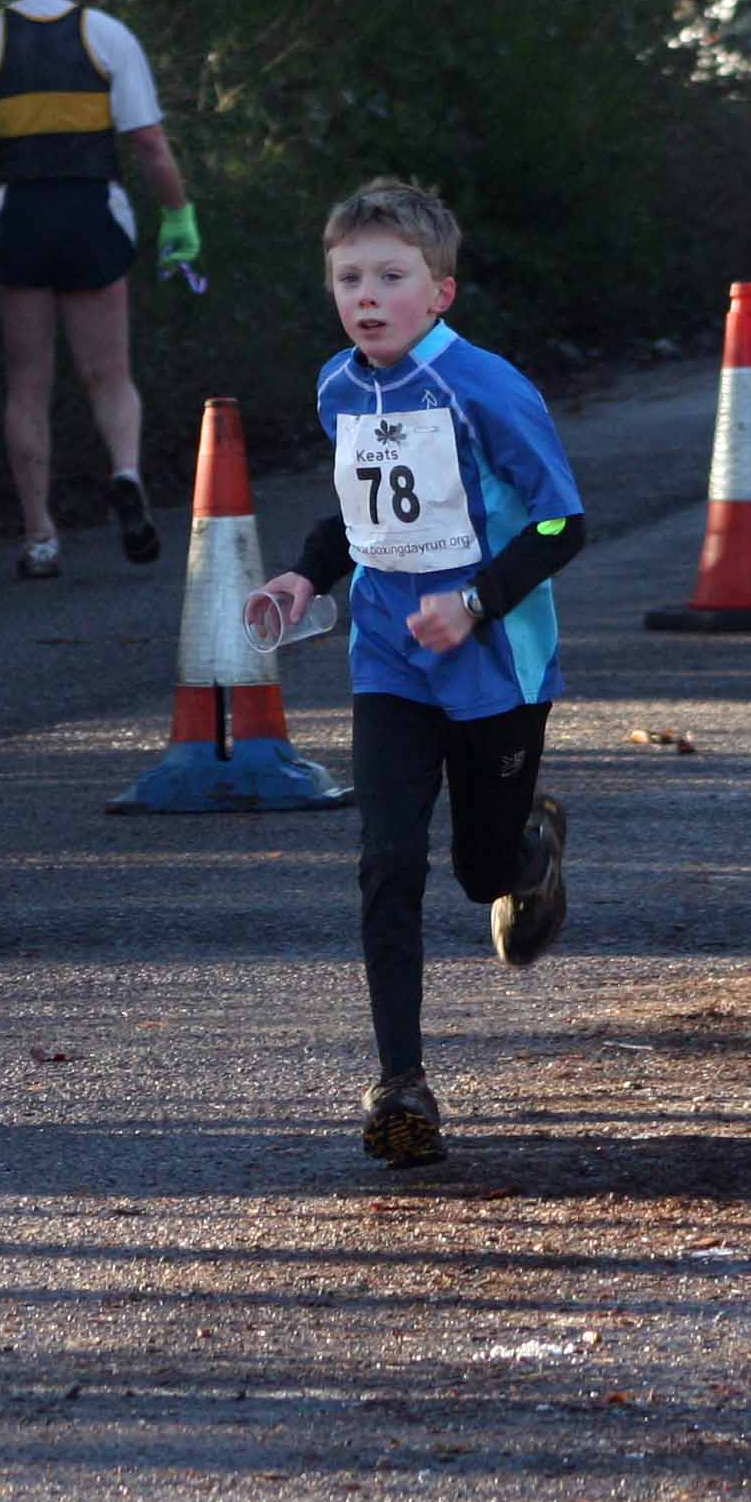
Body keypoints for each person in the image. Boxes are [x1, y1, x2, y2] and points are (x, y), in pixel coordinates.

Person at [247, 179, 586, 1169]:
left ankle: (534, 845)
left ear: (438, 292)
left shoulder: (485, 386)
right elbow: (359, 515)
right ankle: (402, 1082)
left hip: (494, 666)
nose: (366, 294)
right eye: (348, 276)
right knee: (389, 859)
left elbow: (565, 520)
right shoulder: (339, 385)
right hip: (389, 662)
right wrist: (304, 576)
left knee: (482, 867)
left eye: (389, 276)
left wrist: (477, 600)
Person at [0, 0, 201, 579]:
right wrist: (178, 215)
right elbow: (148, 143)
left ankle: (40, 538)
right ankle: (127, 472)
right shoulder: (106, 35)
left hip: (19, 215)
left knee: (28, 382)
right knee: (109, 375)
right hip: (93, 214)